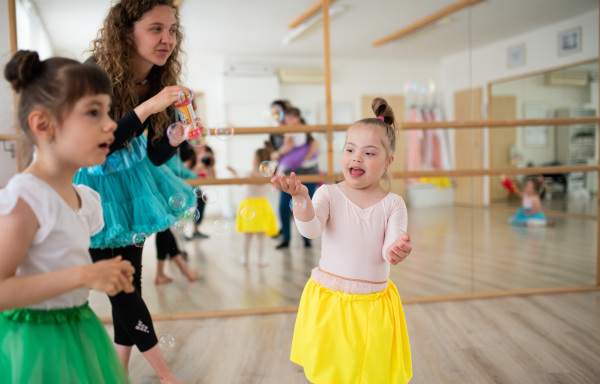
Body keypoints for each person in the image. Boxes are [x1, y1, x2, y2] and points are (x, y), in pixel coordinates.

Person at [73, 1, 192, 382]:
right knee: (120, 289)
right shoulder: (94, 75)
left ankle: (118, 370)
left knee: (131, 282)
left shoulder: (159, 83)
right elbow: (100, 144)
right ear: (127, 32)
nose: (167, 39)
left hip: (135, 189)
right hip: (95, 191)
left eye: (172, 30)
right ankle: (165, 373)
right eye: (156, 28)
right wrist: (150, 107)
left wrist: (177, 136)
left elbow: (155, 157)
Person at [0, 50, 134, 383]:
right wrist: (84, 276)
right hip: (31, 342)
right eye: (93, 112)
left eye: (107, 111)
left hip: (76, 329)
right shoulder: (26, 197)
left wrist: (107, 273)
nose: (111, 124)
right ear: (43, 125)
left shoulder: (85, 199)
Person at [271, 97, 413, 383]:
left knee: (369, 368)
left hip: (372, 304)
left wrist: (397, 249)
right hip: (331, 300)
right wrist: (301, 199)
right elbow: (310, 230)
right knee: (331, 367)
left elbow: (390, 246)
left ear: (388, 162)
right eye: (350, 149)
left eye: (370, 153)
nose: (357, 157)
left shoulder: (394, 204)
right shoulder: (328, 194)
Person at [271, 107, 319, 249]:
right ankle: (288, 238)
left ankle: (306, 238)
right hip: (292, 173)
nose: (288, 120)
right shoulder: (287, 131)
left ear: (298, 117)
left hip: (308, 173)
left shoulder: (303, 132)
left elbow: (293, 146)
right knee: (284, 208)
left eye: (290, 117)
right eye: (287, 118)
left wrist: (279, 154)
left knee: (306, 206)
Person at [154, 155, 199, 284]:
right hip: (163, 191)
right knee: (164, 229)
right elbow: (177, 170)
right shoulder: (166, 148)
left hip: (156, 189)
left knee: (166, 229)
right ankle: (160, 274)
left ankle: (184, 270)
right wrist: (197, 175)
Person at [232, 143, 279, 266]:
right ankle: (260, 260)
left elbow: (239, 183)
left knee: (247, 236)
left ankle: (245, 258)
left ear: (257, 160)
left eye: (255, 158)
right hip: (262, 206)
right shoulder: (269, 174)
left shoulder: (250, 173)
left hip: (249, 205)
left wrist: (234, 174)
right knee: (261, 237)